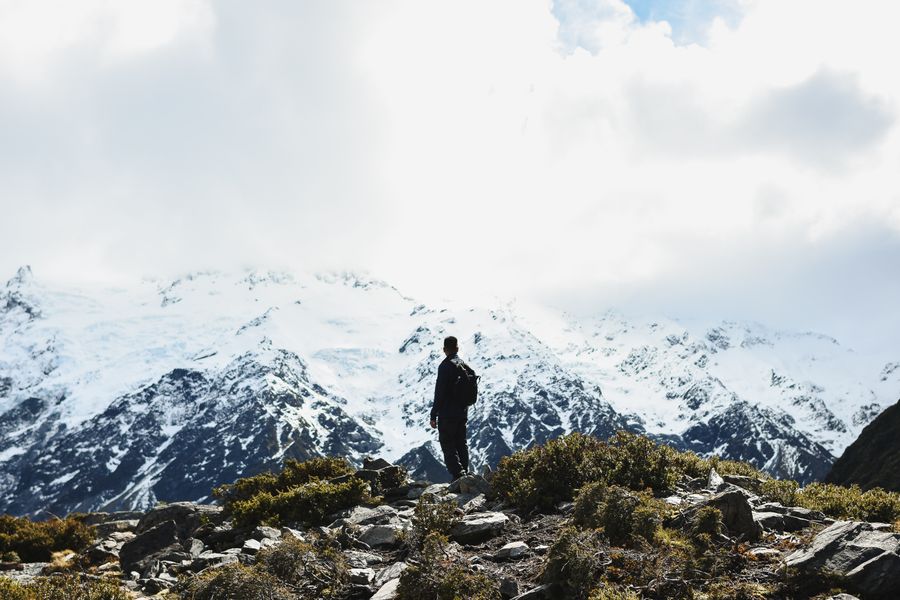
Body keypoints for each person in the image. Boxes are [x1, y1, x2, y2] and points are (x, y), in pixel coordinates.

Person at [429, 335, 470, 480]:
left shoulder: (445, 366)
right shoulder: (463, 365)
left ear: (444, 349)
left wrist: (434, 414)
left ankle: (458, 475)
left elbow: (439, 392)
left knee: (448, 444)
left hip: (447, 413)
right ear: (457, 348)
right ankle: (465, 472)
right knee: (461, 443)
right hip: (462, 412)